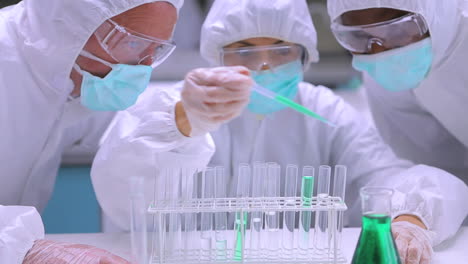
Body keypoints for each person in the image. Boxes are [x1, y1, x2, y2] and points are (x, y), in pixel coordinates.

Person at [91, 0, 468, 264]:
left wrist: (411, 215)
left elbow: (389, 177)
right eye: (243, 50)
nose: (265, 66)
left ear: (305, 56)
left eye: (282, 50)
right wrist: (182, 122)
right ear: (215, 55)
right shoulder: (172, 106)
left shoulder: (324, 112)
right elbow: (122, 199)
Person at [0, 0, 191, 262]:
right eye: (133, 43)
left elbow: (124, 131)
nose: (144, 67)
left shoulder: (68, 78)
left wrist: (180, 118)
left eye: (156, 49)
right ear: (68, 25)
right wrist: (19, 248)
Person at [327, 0, 468, 184]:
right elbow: (430, 169)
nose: (379, 50)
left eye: (395, 31)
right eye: (358, 36)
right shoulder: (384, 71)